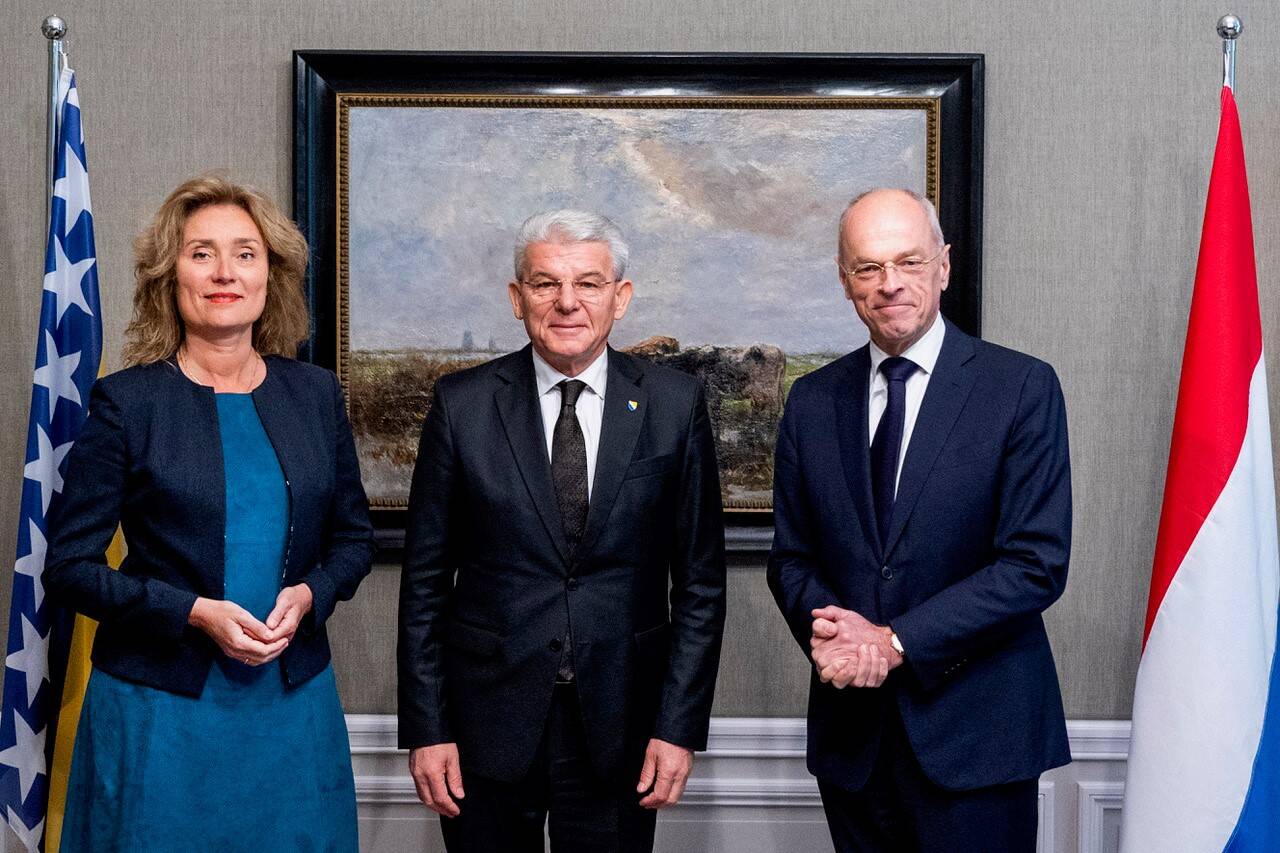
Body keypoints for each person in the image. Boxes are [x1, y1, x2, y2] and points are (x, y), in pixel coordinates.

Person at [44, 175, 374, 851]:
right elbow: (70, 567)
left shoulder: (315, 395)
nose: (225, 272)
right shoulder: (127, 403)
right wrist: (193, 612)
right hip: (158, 714)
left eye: (245, 253)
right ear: (171, 275)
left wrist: (312, 594)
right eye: (202, 253)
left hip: (291, 710)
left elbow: (353, 539)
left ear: (271, 275)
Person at [398, 209, 727, 852]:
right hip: (484, 723)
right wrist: (427, 729)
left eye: (589, 283)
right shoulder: (462, 404)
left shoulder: (673, 403)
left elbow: (700, 587)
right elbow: (424, 585)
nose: (567, 302)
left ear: (620, 298)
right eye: (545, 283)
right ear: (517, 298)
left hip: (623, 725)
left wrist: (678, 726)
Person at [767, 188, 1071, 852]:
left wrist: (893, 641)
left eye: (908, 261)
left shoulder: (1020, 388)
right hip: (854, 742)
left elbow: (1034, 564)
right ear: (845, 279)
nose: (890, 283)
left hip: (978, 741)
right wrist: (840, 639)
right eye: (869, 267)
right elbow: (792, 559)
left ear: (944, 266)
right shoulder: (812, 401)